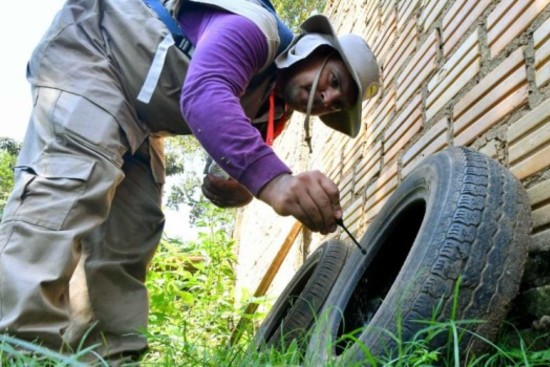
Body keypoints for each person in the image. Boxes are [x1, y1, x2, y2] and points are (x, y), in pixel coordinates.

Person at [0, 0, 380, 362]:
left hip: (142, 120)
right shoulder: (254, 29)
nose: (326, 97)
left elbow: (231, 159)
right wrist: (275, 182)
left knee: (131, 235)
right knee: (72, 186)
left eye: (335, 103)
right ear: (312, 49)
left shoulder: (272, 110)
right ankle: (18, 347)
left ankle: (103, 360)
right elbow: (204, 96)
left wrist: (240, 188)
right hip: (95, 53)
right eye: (331, 80)